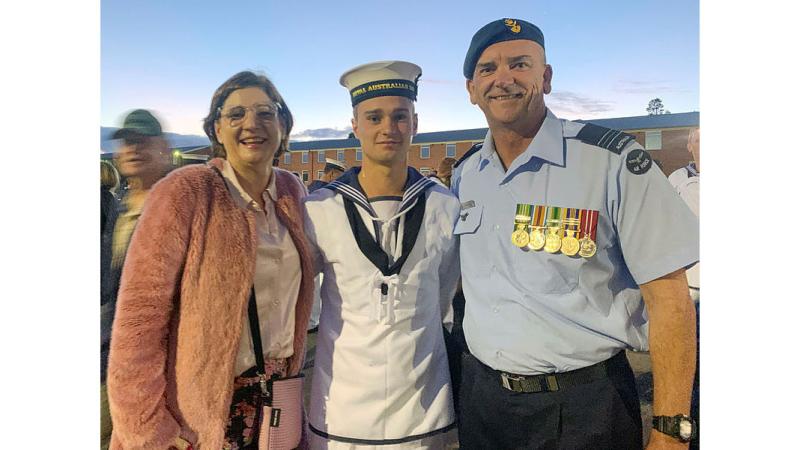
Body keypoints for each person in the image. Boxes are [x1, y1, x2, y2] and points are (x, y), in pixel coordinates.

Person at [452, 19, 699, 449]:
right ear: (472, 89)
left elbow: (671, 300)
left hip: (584, 408)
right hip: (484, 405)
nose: (503, 78)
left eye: (520, 64)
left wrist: (671, 430)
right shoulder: (466, 175)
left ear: (545, 78)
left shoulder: (611, 162)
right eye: (488, 69)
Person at [106, 71, 316, 450]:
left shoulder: (292, 192)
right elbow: (139, 321)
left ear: (283, 125)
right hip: (197, 419)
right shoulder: (186, 191)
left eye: (265, 113)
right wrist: (149, 429)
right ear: (217, 129)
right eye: (235, 114)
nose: (251, 124)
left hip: (276, 403)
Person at [305, 60, 460, 449]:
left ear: (416, 123)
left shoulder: (445, 206)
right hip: (341, 411)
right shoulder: (320, 209)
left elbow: (443, 298)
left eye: (399, 116)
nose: (388, 128)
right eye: (374, 117)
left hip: (424, 412)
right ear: (355, 125)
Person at [100, 109, 172, 450]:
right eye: (126, 142)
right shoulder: (117, 205)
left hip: (156, 370)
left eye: (142, 141)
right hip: (107, 355)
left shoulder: (177, 206)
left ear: (164, 147)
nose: (132, 148)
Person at [668, 127, 701, 450]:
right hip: (688, 287)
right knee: (685, 362)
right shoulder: (676, 179)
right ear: (690, 145)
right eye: (700, 139)